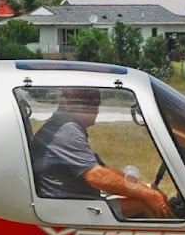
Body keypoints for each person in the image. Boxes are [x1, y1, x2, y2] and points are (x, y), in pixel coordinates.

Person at [30, 87, 173, 219]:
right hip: (70, 210)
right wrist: (148, 195)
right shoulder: (67, 130)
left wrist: (141, 185)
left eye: (96, 105)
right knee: (146, 204)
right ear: (75, 105)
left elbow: (103, 169)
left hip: (77, 203)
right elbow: (96, 176)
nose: (96, 111)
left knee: (142, 197)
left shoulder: (64, 125)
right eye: (91, 105)